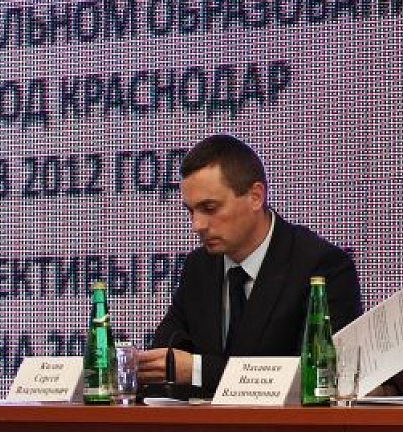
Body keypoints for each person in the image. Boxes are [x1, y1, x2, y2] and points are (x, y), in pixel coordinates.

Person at [139, 135, 363, 394]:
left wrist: (198, 370)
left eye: (209, 208)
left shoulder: (321, 266)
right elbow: (165, 358)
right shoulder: (198, 267)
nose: (197, 225)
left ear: (256, 196)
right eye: (191, 211)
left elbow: (319, 378)